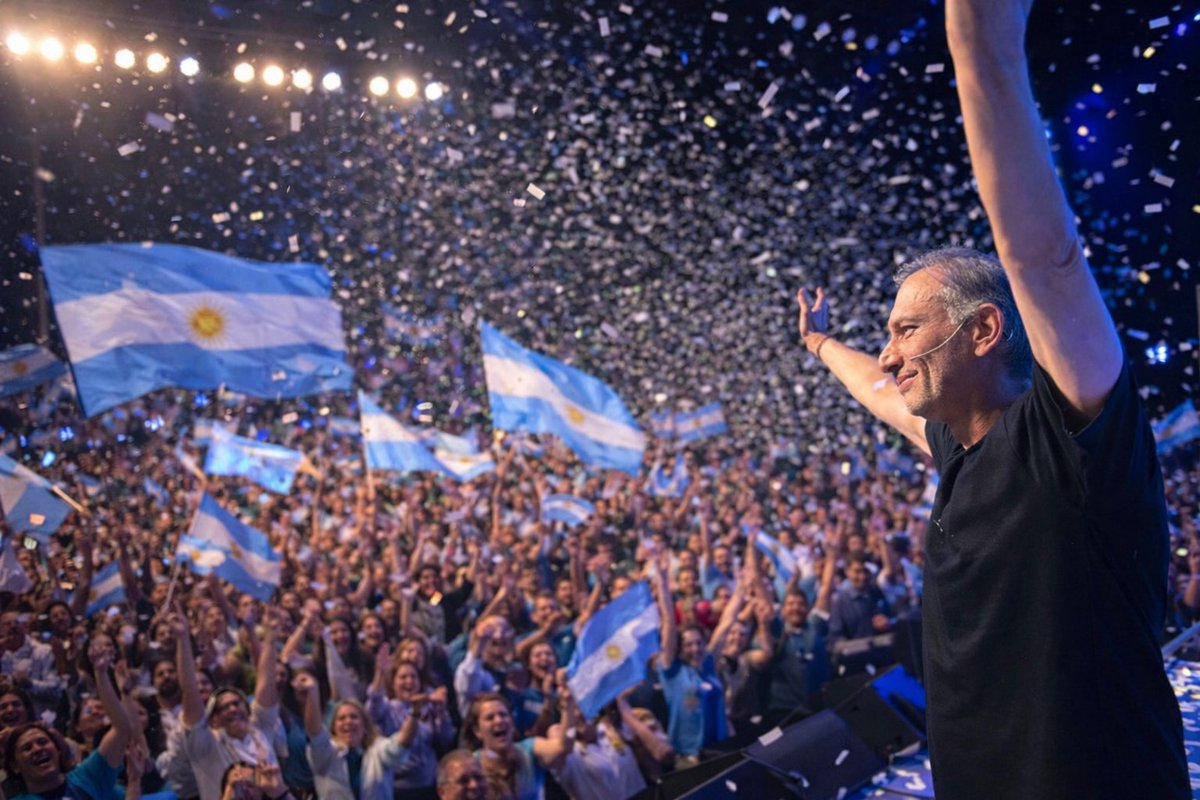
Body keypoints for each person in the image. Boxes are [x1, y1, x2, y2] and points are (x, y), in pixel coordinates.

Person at [792, 0, 1188, 795]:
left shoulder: (1070, 437)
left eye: (907, 330)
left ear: (982, 331)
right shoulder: (959, 450)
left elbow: (1041, 255)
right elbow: (877, 389)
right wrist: (819, 344)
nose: (891, 350)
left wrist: (978, 46)